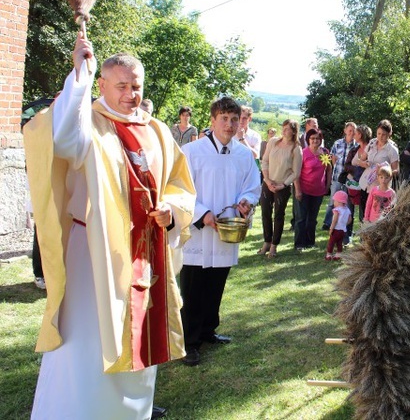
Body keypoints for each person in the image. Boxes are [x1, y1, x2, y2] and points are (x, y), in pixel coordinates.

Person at [24, 33, 196, 419]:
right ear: (102, 85)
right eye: (122, 86)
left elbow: (180, 185)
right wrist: (79, 74)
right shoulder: (89, 124)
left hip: (145, 254)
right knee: (87, 347)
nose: (131, 94)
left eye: (136, 86)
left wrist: (171, 210)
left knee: (138, 344)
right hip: (94, 256)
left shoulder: (157, 132)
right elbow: (62, 138)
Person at [179, 97, 261, 367]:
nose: (229, 124)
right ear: (212, 120)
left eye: (234, 119)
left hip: (227, 229)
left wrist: (247, 201)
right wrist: (203, 213)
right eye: (224, 118)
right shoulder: (192, 152)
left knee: (216, 283)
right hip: (200, 231)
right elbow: (181, 189)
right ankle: (188, 342)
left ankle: (207, 330)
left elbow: (252, 185)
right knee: (193, 288)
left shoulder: (243, 155)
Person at [259, 119, 302, 258]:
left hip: (282, 186)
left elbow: (296, 172)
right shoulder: (273, 142)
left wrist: (283, 184)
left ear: (294, 131)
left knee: (278, 215)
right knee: (265, 212)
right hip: (268, 182)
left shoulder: (296, 148)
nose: (284, 130)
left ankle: (274, 246)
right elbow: (264, 161)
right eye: (283, 127)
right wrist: (267, 180)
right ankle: (266, 241)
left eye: (288, 128)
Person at [293, 128, 332, 250]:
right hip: (303, 190)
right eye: (312, 138)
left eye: (317, 138)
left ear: (321, 140)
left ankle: (310, 242)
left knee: (312, 218)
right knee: (301, 218)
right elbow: (296, 173)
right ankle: (300, 243)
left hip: (318, 191)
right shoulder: (303, 153)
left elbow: (329, 169)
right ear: (308, 140)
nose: (315, 140)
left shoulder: (325, 152)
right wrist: (298, 190)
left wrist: (327, 185)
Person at [322, 121, 357, 230]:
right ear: (345, 131)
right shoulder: (338, 143)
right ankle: (327, 223)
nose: (351, 133)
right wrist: (336, 168)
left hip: (350, 179)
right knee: (333, 200)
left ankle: (345, 225)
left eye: (353, 131)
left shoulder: (357, 145)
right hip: (337, 176)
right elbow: (333, 158)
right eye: (350, 130)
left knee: (347, 202)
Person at [354, 119, 399, 194]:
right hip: (365, 183)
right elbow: (360, 160)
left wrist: (383, 171)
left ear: (389, 133)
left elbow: (396, 171)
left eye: (384, 134)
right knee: (364, 205)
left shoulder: (392, 149)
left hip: (381, 187)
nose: (380, 137)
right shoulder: (372, 143)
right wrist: (363, 163)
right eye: (379, 133)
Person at [342, 124, 371, 237]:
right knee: (349, 210)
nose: (353, 135)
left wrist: (364, 170)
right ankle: (346, 237)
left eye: (356, 133)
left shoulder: (371, 149)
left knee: (364, 212)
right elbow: (346, 166)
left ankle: (364, 238)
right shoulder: (354, 150)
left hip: (367, 186)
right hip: (352, 184)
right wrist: (358, 169)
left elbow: (371, 166)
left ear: (362, 135)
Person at [325, 190, 351, 261]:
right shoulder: (347, 210)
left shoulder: (337, 210)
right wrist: (344, 224)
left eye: (335, 201)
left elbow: (334, 220)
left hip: (336, 229)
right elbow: (349, 220)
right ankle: (339, 254)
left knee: (331, 242)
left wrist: (331, 229)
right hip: (343, 230)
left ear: (339, 201)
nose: (334, 203)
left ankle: (329, 254)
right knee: (339, 242)